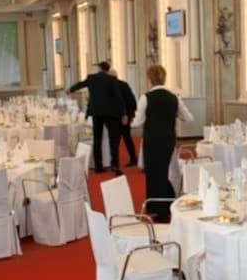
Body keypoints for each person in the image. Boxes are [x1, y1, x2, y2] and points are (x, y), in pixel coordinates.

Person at [131, 65, 193, 222]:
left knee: (154, 173)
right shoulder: (174, 97)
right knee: (166, 171)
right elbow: (188, 117)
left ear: (149, 79)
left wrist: (129, 123)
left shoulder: (146, 98)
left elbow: (138, 123)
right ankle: (168, 204)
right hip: (167, 140)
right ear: (164, 78)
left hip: (152, 140)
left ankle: (158, 208)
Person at [68, 61, 126, 174]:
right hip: (111, 113)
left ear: (99, 68)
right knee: (113, 139)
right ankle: (114, 165)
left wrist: (70, 89)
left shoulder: (91, 78)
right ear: (108, 69)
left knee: (97, 139)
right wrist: (123, 113)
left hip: (96, 113)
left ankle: (98, 166)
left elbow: (80, 84)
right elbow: (118, 97)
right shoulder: (112, 79)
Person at [108, 68, 138, 167]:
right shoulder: (123, 85)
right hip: (124, 116)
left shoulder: (110, 87)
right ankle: (133, 159)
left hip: (116, 117)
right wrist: (131, 115)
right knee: (127, 138)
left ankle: (115, 163)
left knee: (116, 141)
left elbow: (131, 101)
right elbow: (132, 101)